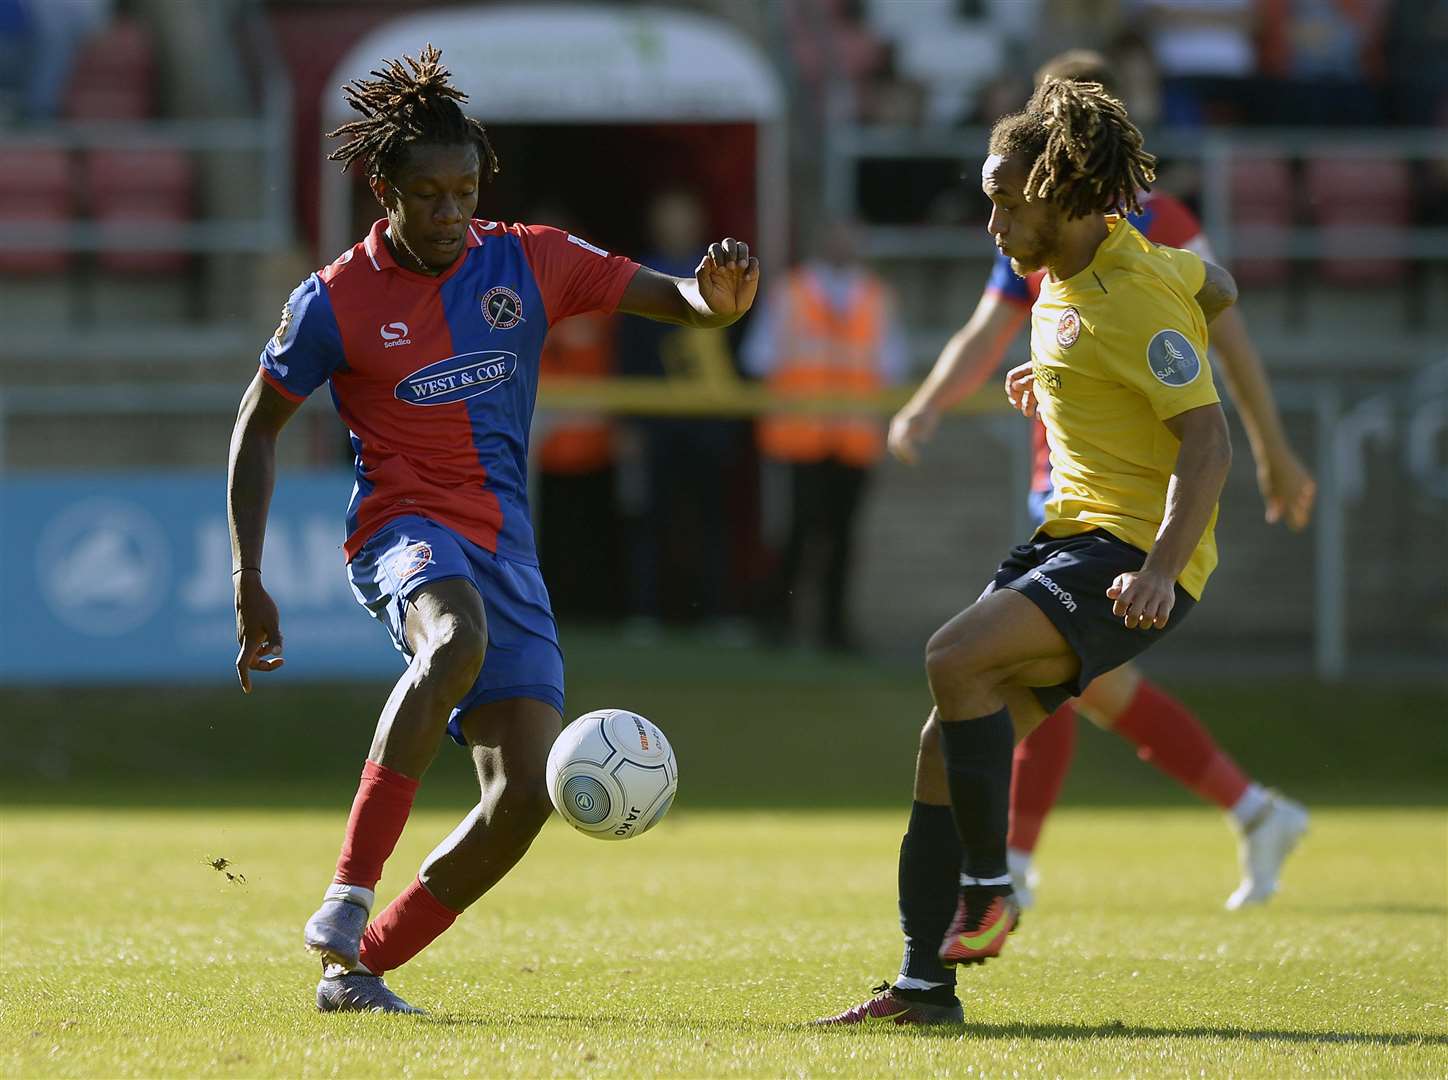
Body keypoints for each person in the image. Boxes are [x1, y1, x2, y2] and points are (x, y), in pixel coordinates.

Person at [227, 46, 758, 1014]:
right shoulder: (334, 299)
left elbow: (665, 294)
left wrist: (708, 301)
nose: (446, 213)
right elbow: (257, 428)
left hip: (505, 547)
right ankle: (347, 895)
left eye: (462, 191)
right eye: (425, 194)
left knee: (523, 797)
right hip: (401, 528)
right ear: (382, 190)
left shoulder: (528, 259)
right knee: (453, 639)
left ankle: (359, 971)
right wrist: (247, 573)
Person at [818, 75, 1239, 1025]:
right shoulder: (1081, 276)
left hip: (1130, 554)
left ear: (1066, 196)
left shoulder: (1134, 293)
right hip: (1069, 536)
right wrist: (1058, 376)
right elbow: (1223, 283)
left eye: (1007, 201)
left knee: (949, 657)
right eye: (989, 199)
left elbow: (1209, 440)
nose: (993, 221)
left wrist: (1165, 569)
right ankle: (926, 988)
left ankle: (991, 887)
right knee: (942, 743)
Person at [890, 50, 1313, 921]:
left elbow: (1207, 351)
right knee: (1006, 696)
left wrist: (1268, 452)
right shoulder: (1042, 239)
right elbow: (1065, 323)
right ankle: (947, 947)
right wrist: (1048, 376)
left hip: (1127, 524)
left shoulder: (1138, 242)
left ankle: (1005, 871)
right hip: (1072, 500)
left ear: (1067, 165)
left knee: (1005, 673)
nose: (997, 214)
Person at [741, 218, 908, 651]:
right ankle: (779, 622)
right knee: (798, 533)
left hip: (853, 441)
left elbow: (893, 366)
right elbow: (759, 359)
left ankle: (834, 629)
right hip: (798, 439)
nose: (841, 244)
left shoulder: (877, 297)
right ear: (819, 242)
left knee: (842, 537)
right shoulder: (789, 292)